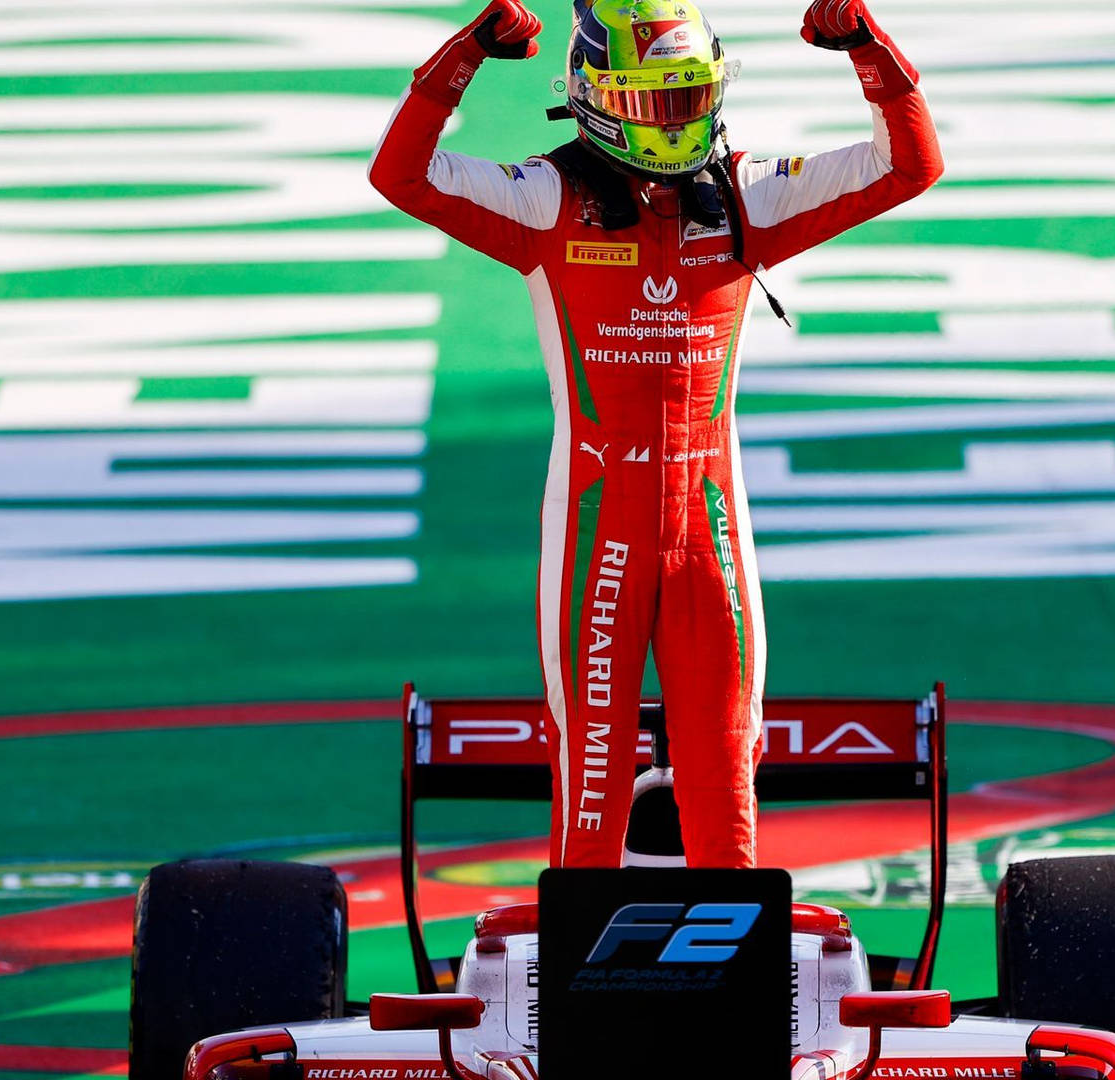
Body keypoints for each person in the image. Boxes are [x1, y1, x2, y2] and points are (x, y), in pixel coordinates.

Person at [370, 0, 941, 869]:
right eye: (648, 103)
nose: (670, 124)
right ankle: (578, 987)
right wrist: (467, 53)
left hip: (712, 535)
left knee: (724, 779)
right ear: (593, 98)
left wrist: (868, 51)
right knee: (592, 784)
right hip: (597, 535)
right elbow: (401, 176)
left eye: (686, 99)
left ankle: (739, 984)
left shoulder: (749, 196)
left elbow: (907, 167)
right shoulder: (547, 199)